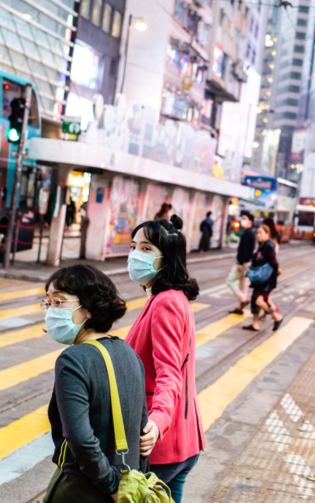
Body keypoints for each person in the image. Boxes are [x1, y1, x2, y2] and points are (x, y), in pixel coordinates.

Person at [43, 264, 147, 502]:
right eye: (48, 303)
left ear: (88, 309)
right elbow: (140, 429)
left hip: (85, 488)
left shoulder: (73, 359)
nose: (50, 311)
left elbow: (79, 438)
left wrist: (110, 486)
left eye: (58, 302)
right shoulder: (128, 352)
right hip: (129, 484)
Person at [125, 215, 205, 503]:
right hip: (182, 440)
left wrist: (156, 423)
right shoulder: (170, 297)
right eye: (133, 247)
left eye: (146, 249)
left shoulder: (166, 303)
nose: (135, 255)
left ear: (167, 258)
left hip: (160, 444)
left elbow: (169, 372)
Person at [244, 224, 283, 331]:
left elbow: (275, 263)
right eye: (258, 233)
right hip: (261, 280)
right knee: (254, 301)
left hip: (267, 280)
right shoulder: (262, 245)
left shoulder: (268, 246)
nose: (258, 235)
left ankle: (277, 317)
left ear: (267, 234)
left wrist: (274, 276)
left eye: (261, 233)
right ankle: (255, 324)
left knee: (259, 301)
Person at [226, 211, 256, 314]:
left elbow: (247, 250)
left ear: (250, 221)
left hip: (243, 263)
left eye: (244, 218)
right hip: (246, 263)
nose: (242, 220)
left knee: (229, 281)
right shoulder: (249, 232)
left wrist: (240, 262)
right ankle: (240, 308)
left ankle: (243, 300)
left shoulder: (249, 233)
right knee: (243, 285)